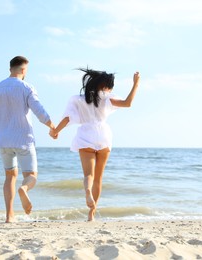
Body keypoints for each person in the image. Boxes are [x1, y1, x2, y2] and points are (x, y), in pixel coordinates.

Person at [0, 56, 55, 223]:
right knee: (31, 175)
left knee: (10, 176)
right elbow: (40, 112)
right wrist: (52, 127)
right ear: (23, 70)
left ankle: (9, 216)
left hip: (2, 140)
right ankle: (24, 189)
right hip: (23, 139)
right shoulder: (27, 87)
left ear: (10, 69)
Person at [50, 68, 140, 221]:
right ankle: (91, 214)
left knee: (88, 175)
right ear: (105, 86)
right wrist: (136, 84)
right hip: (103, 135)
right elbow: (128, 103)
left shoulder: (78, 99)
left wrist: (55, 132)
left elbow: (67, 118)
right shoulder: (107, 98)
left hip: (86, 135)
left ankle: (87, 191)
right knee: (99, 178)